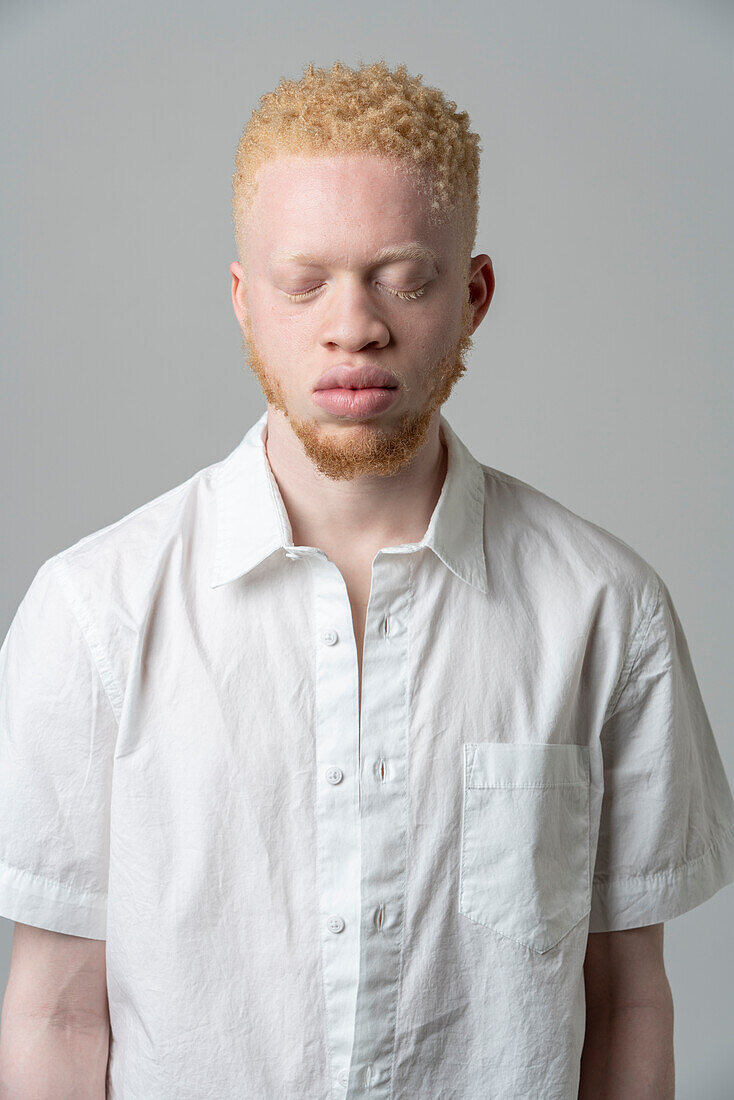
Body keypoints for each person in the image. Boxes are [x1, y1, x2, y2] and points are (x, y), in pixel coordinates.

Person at [1, 58, 733, 1100]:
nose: (355, 325)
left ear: (472, 294)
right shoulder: (92, 613)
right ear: (245, 301)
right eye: (306, 282)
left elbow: (626, 998)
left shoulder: (606, 611)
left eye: (402, 275)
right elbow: (57, 1007)